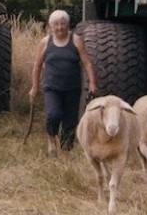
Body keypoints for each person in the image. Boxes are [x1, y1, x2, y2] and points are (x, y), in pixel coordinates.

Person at [29, 10, 97, 156]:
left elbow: (87, 63)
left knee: (70, 121)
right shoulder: (45, 42)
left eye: (63, 24)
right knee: (53, 114)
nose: (59, 27)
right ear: (51, 26)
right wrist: (34, 87)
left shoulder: (76, 40)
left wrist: (92, 82)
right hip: (52, 87)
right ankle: (52, 140)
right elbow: (37, 65)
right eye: (56, 24)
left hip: (72, 88)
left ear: (68, 25)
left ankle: (66, 151)